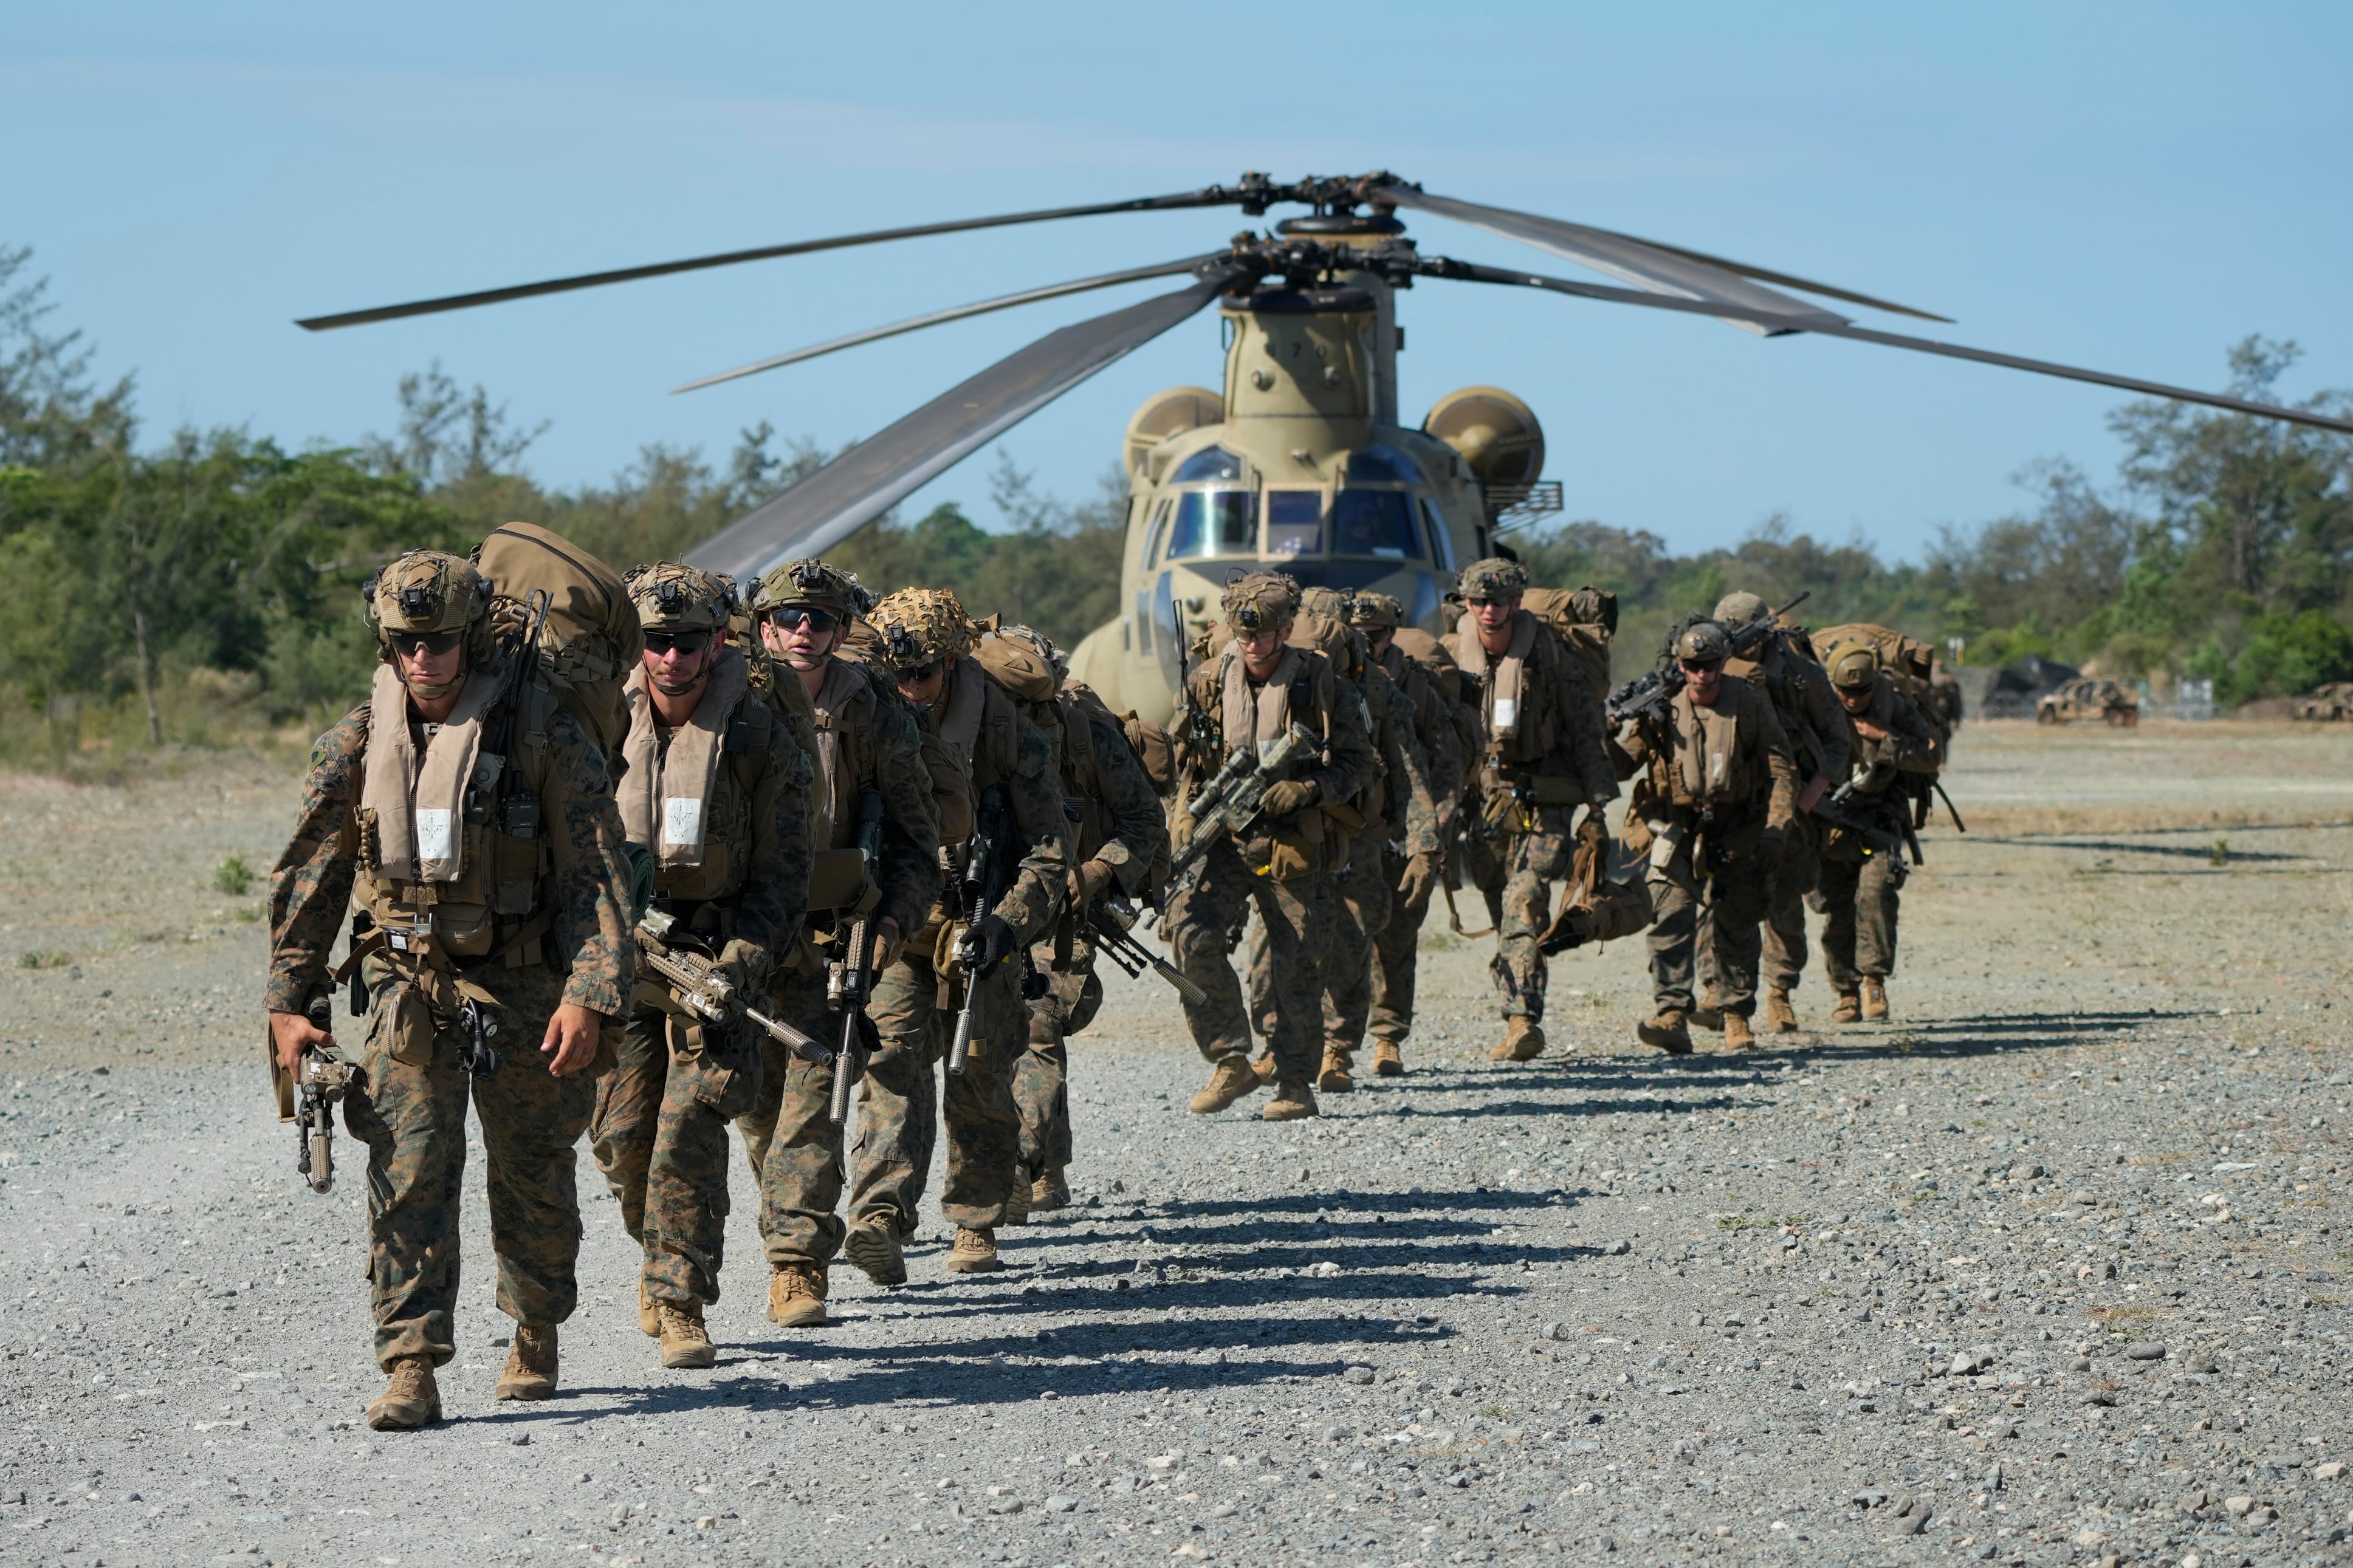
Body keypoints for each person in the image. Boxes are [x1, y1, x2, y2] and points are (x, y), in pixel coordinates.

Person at [264, 550, 633, 1429]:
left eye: (441, 642)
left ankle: (535, 1324)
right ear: (387, 643)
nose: (424, 659)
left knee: (533, 1166)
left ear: (471, 639)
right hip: (404, 980)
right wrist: (289, 1002)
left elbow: (598, 874)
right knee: (409, 1162)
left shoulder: (542, 731)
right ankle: (411, 1364)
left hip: (526, 975)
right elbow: (308, 879)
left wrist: (589, 993)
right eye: (407, 642)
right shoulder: (357, 740)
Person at [586, 563, 812, 1368]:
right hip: (619, 960)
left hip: (714, 963)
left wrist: (742, 961)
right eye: (657, 642)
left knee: (689, 1127)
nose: (674, 657)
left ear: (720, 641)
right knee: (620, 1139)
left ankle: (681, 1301)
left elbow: (787, 873)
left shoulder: (757, 736)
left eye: (690, 642)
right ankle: (659, 1254)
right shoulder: (600, 724)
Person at [731, 560, 938, 1322]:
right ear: (763, 628)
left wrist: (891, 921)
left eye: (820, 618)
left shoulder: (873, 710)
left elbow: (918, 839)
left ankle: (796, 1264)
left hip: (832, 933)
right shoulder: (733, 701)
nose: (804, 631)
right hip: (743, 932)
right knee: (756, 1104)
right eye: (789, 617)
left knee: (813, 1096)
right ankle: (791, 1210)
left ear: (841, 629)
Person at [859, 589, 1069, 1275]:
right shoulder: (871, 718)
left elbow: (1048, 845)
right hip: (900, 922)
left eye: (922, 674)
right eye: (897, 676)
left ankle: (975, 1218)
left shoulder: (1005, 732)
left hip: (982, 923)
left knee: (978, 1073)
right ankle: (880, 1216)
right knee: (889, 1060)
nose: (910, 689)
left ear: (951, 663)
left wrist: (1008, 924)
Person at [1166, 571, 1377, 1120]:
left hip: (1293, 841)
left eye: (1263, 635)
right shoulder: (1209, 682)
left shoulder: (1324, 686)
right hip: (1225, 836)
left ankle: (1295, 1082)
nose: (1253, 645)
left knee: (1298, 961)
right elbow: (1188, 762)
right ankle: (1230, 1056)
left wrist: (1308, 788)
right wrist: (1184, 816)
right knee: (1189, 933)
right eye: (1243, 635)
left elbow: (1360, 765)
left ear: (1287, 629)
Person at [984, 623, 1167, 1213]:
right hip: (988, 907)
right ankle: (1047, 1165)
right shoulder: (961, 729)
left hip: (1065, 914)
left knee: (1036, 1022)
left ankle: (1015, 1164)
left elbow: (1145, 820)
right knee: (997, 1035)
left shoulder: (1082, 730)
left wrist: (1094, 873)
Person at [1246, 588, 1440, 1092]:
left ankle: (1337, 1047)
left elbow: (1410, 770)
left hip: (1357, 837)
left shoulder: (1376, 694)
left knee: (1352, 939)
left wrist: (1424, 843)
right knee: (1273, 939)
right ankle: (1273, 1043)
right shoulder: (1270, 682)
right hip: (1290, 837)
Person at [1445, 558, 1618, 1063]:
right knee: (1503, 909)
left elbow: (1585, 728)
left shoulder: (1550, 655)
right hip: (1485, 803)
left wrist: (1598, 806)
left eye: (1498, 601)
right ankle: (1516, 1007)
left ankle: (1522, 1020)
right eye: (1479, 601)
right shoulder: (1458, 653)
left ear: (1517, 602)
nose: (1489, 610)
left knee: (1525, 902)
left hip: (1546, 799)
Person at [1614, 620, 1796, 1053]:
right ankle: (1673, 1013)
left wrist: (1776, 830)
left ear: (1722, 663)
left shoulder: (1747, 702)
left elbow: (1781, 766)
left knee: (1737, 921)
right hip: (1678, 827)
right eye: (1693, 665)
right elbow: (1622, 766)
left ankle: (1735, 1016)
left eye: (1710, 664)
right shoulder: (1661, 707)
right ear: (1681, 664)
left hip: (1739, 826)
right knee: (1670, 916)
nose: (1702, 674)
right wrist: (1606, 733)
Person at [1691, 591, 1852, 1035]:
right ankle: (1717, 991)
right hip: (1728, 803)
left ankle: (1780, 992)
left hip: (1791, 802)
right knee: (1717, 897)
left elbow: (1839, 739)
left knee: (1783, 901)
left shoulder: (1802, 676)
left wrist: (1814, 791)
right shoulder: (1709, 671)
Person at [1346, 592, 1466, 1077]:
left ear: (1391, 635)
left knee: (1397, 936)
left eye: (1371, 638)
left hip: (1406, 832)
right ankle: (1336, 1044)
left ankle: (1388, 1036)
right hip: (1354, 830)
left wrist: (1429, 836)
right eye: (1354, 636)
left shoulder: (1416, 687)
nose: (1362, 645)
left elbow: (1446, 764)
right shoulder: (1338, 679)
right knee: (1348, 934)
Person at [1816, 643, 1940, 1022]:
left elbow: (1931, 753)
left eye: (1862, 692)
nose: (1854, 699)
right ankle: (1846, 991)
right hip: (1830, 818)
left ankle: (1873, 982)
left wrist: (1884, 737)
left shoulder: (1895, 706)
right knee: (1835, 906)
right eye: (1846, 692)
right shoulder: (1818, 707)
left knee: (1875, 894)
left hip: (1878, 815)